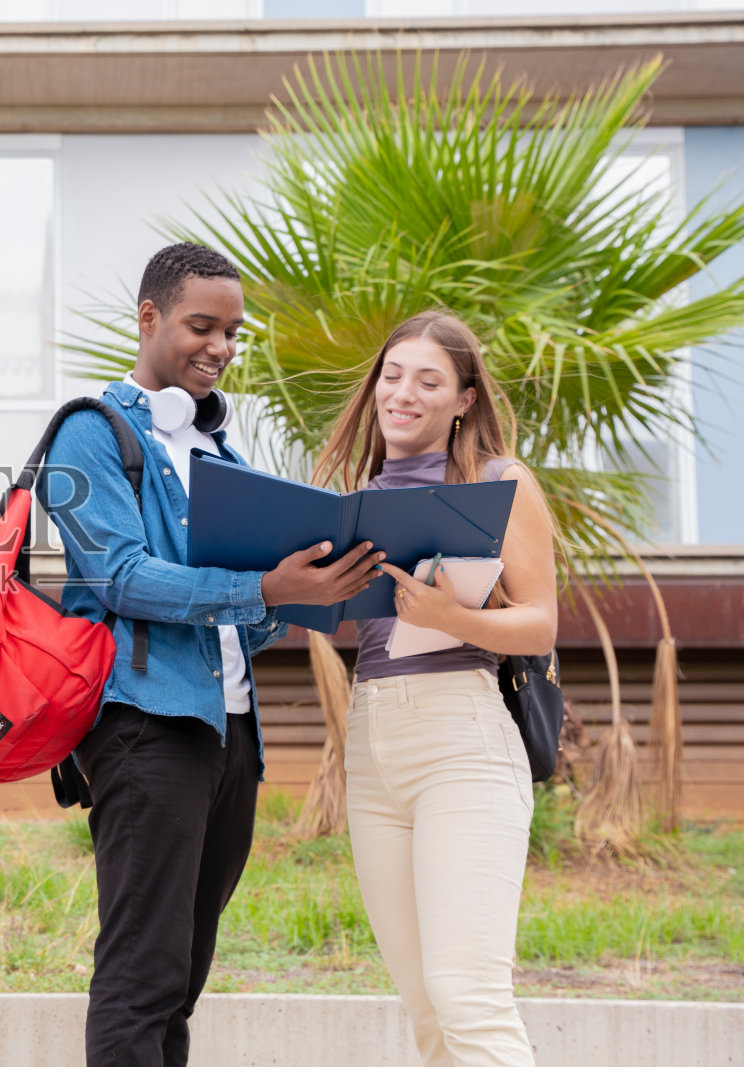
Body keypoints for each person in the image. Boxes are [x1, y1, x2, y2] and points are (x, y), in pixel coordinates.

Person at [37, 242, 384, 1066]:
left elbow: (243, 616)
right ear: (149, 317)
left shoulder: (219, 455)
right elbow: (120, 576)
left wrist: (311, 590)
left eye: (233, 333)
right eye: (202, 326)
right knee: (141, 974)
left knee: (183, 976)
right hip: (146, 727)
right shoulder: (90, 434)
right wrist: (265, 588)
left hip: (229, 736)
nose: (220, 348)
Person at [314, 310, 557, 1067]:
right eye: (392, 375)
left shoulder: (496, 480)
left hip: (463, 740)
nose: (404, 393)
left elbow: (542, 622)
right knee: (425, 1011)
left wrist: (455, 616)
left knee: (468, 999)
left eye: (429, 380)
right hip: (374, 743)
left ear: (464, 398)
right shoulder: (354, 496)